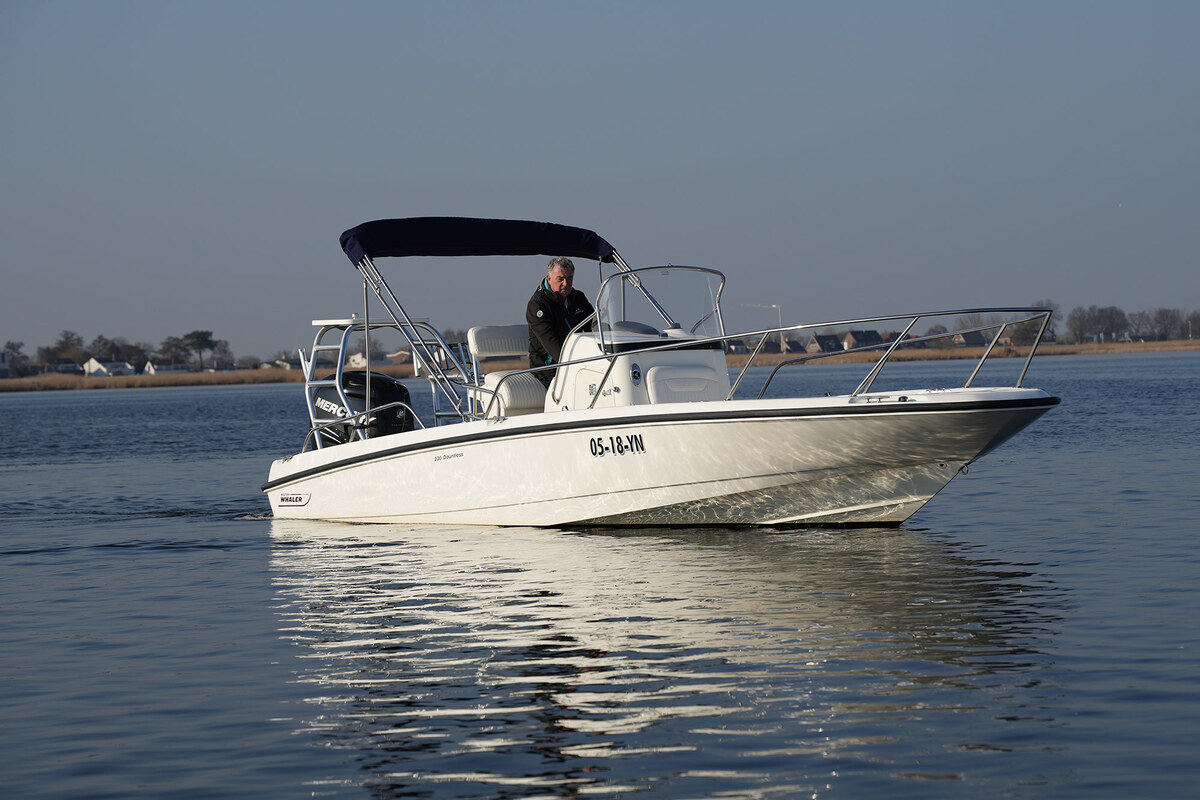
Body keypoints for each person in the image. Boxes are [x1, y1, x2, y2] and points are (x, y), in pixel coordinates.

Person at [526, 256, 594, 386]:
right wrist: (574, 365)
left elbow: (594, 328)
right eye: (560, 279)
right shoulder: (538, 304)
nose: (565, 284)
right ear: (549, 278)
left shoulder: (578, 298)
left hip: (580, 364)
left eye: (569, 279)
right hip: (548, 370)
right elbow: (550, 342)